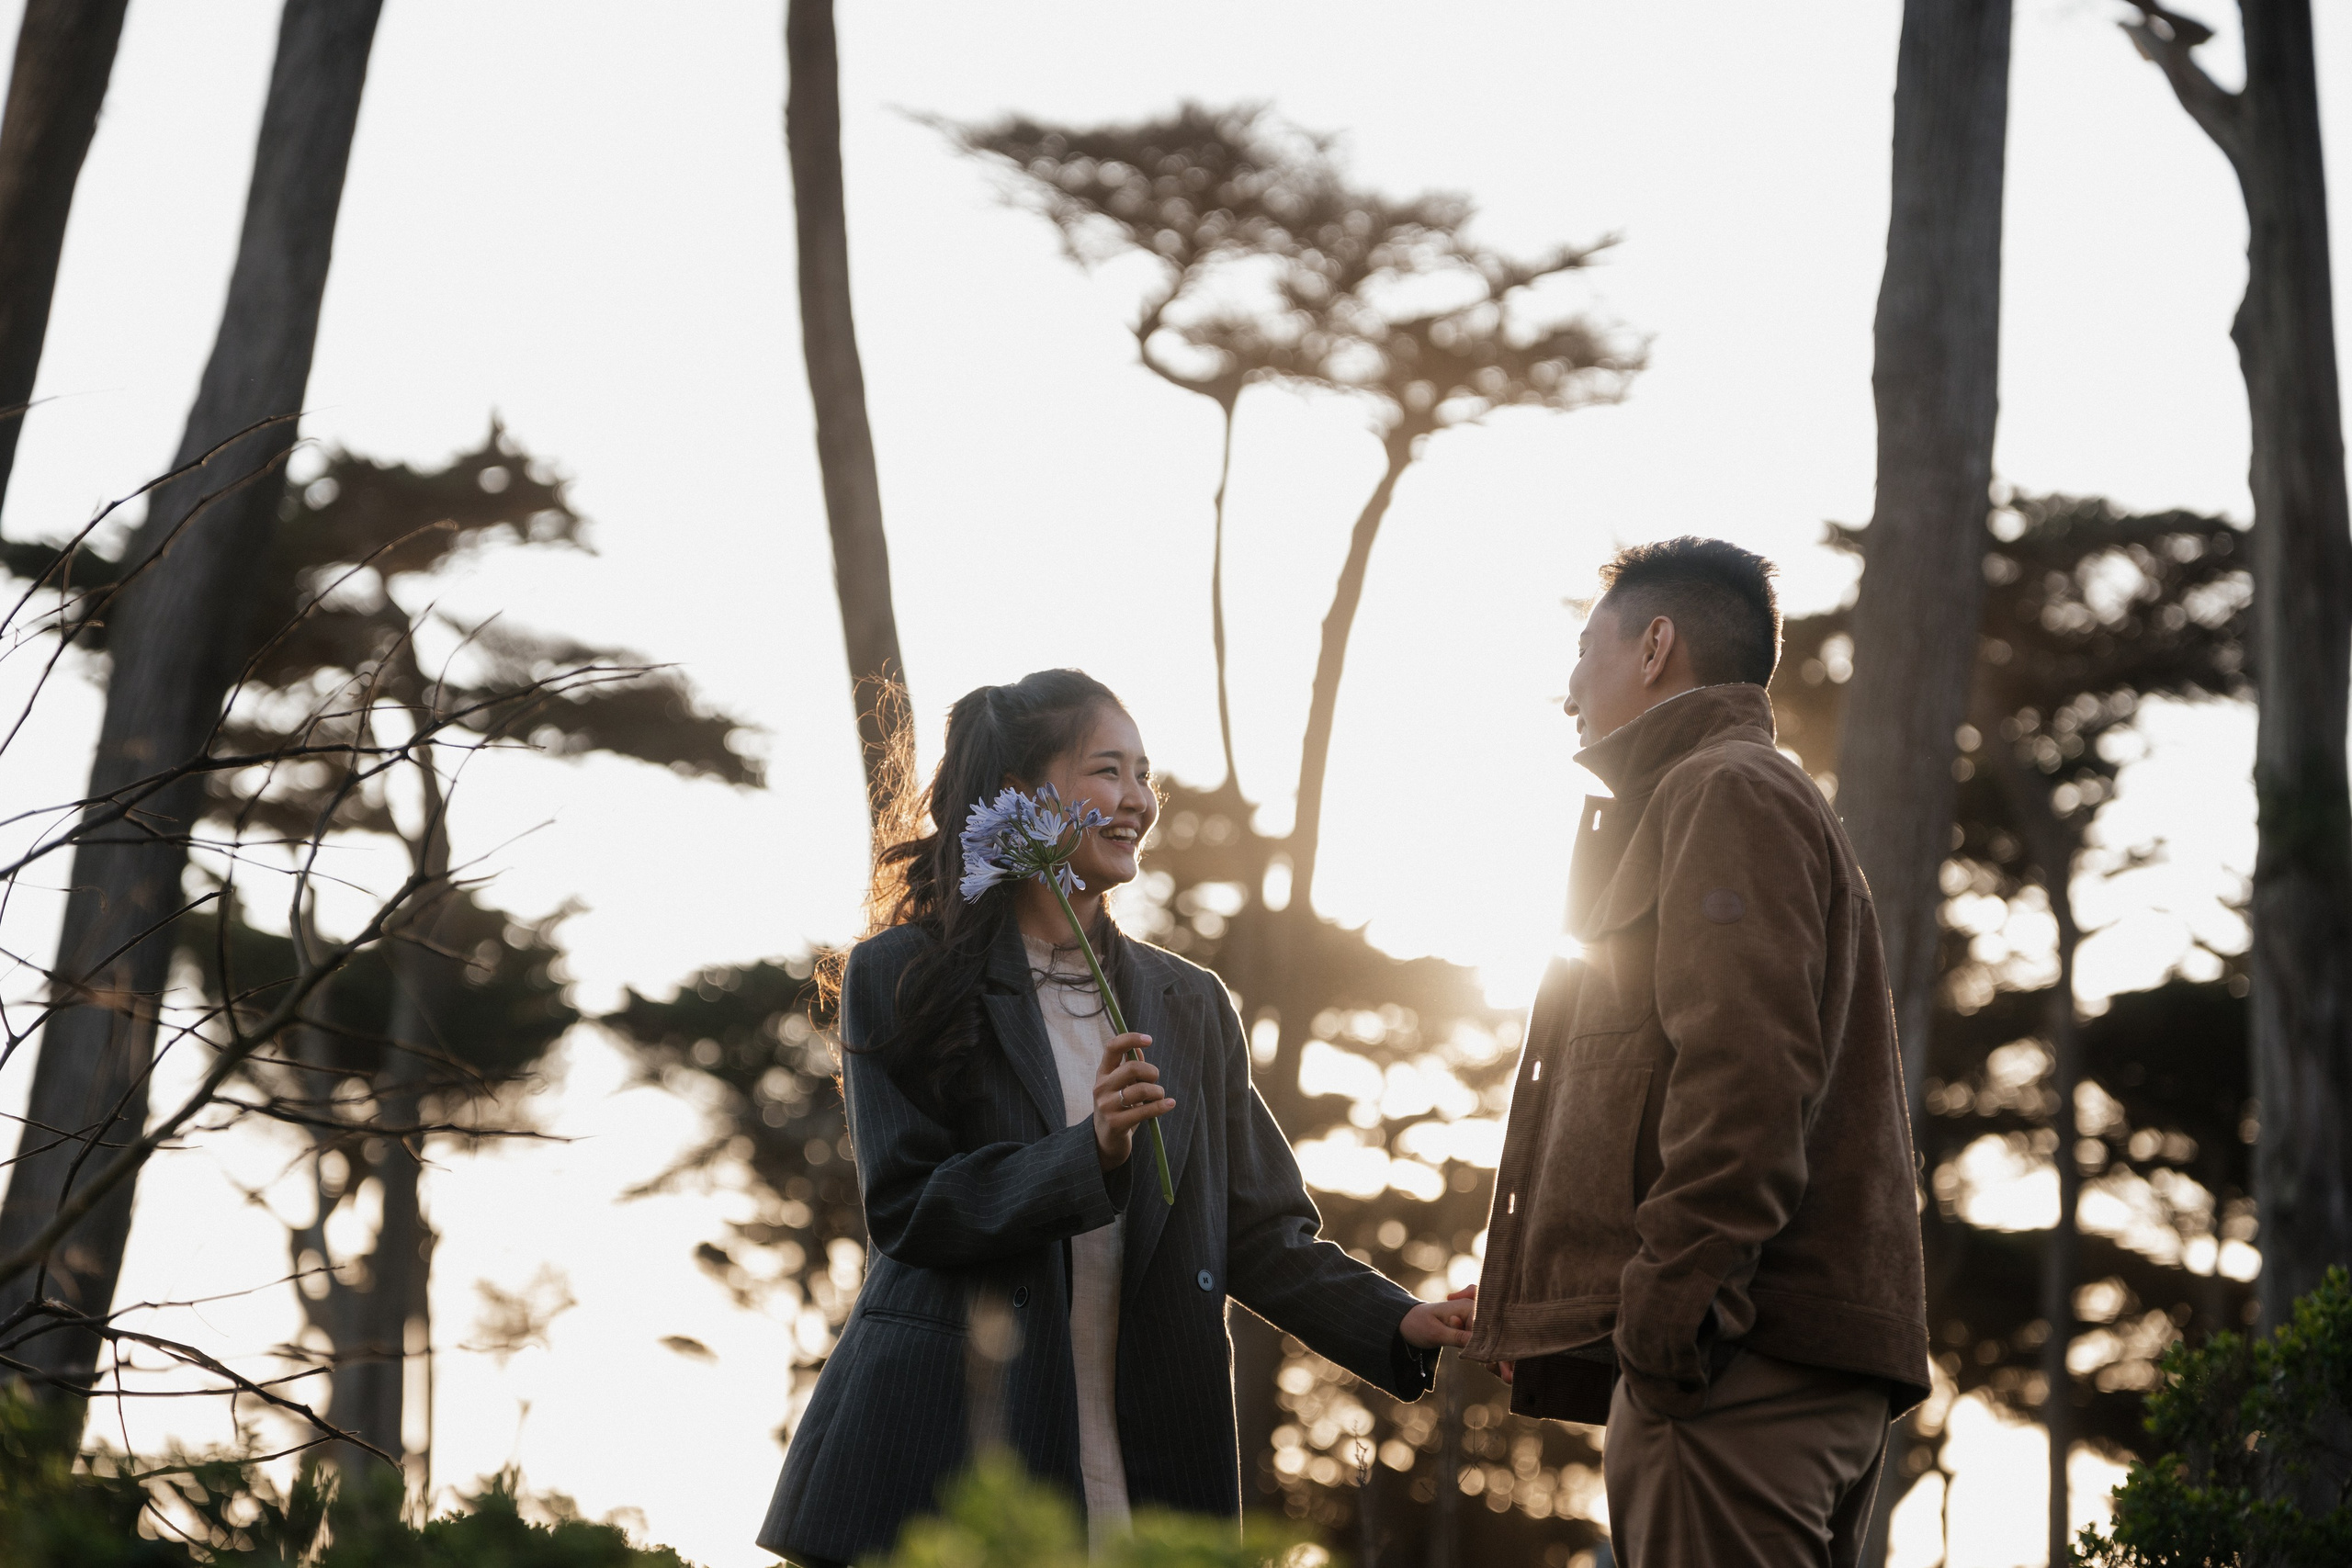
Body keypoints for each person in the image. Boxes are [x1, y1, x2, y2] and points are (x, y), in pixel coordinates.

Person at [757, 668, 1474, 1568]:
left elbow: (1254, 1232)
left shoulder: (1190, 1003)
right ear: (1020, 794)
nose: (1137, 800)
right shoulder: (902, 974)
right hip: (946, 1444)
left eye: (1145, 775)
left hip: (1144, 1449)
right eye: (1108, 771)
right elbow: (908, 1208)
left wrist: (1397, 1321)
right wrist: (1086, 1154)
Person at [1464, 538, 1932, 1567]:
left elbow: (1747, 1073)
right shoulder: (1713, 796)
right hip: (1746, 1355)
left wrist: (1670, 1315)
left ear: (1655, 647)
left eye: (1588, 648)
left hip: (1734, 1365)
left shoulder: (1722, 792)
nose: (1569, 684)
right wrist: (1561, 1294)